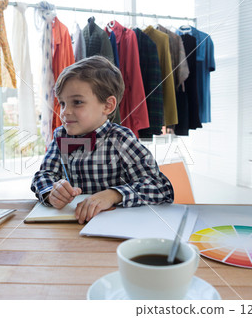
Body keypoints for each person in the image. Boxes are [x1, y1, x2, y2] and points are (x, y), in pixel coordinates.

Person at [31, 56, 174, 224]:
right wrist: (51, 192)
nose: (64, 112)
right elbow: (44, 175)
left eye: (77, 102)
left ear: (108, 106)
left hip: (118, 225)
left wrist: (114, 194)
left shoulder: (122, 140)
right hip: (72, 225)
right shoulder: (60, 135)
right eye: (62, 103)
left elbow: (161, 187)